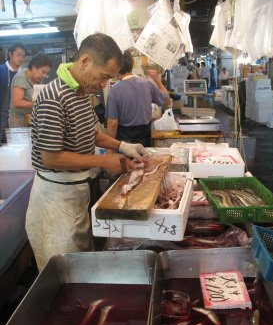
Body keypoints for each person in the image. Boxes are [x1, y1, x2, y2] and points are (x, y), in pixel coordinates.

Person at [25, 33, 148, 271]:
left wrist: (122, 146)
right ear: (84, 61)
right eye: (103, 77)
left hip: (76, 191)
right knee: (64, 273)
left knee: (80, 265)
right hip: (54, 199)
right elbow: (50, 157)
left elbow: (93, 133)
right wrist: (104, 162)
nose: (104, 84)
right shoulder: (53, 97)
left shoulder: (81, 93)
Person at [105, 50, 170, 147]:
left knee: (126, 162)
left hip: (124, 139)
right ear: (131, 66)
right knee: (144, 161)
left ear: (116, 68)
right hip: (145, 136)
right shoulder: (148, 84)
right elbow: (166, 100)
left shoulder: (114, 90)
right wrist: (157, 80)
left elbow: (112, 123)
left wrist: (110, 147)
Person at [9, 53, 53, 127]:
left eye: (47, 73)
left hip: (31, 118)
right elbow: (17, 102)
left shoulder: (37, 78)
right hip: (18, 120)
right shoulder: (21, 77)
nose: (45, 76)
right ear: (34, 67)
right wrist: (38, 103)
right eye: (43, 72)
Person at [0, 42, 26, 142]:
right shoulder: (1, 70)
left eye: (23, 56)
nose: (21, 58)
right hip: (2, 115)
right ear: (10, 54)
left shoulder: (24, 74)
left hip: (18, 119)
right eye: (18, 55)